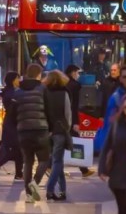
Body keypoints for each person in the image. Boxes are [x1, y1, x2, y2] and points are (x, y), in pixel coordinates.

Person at [9, 63, 51, 204]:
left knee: (28, 162)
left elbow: (12, 114)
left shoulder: (18, 91)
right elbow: (48, 109)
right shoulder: (43, 89)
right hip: (40, 130)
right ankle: (35, 182)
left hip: (23, 131)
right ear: (39, 74)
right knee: (44, 160)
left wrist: (19, 126)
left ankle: (28, 195)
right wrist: (49, 127)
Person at [98, 93, 126, 214]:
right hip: (118, 174)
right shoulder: (117, 124)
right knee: (123, 209)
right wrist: (102, 168)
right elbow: (107, 146)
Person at [44, 70, 71, 201]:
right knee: (58, 161)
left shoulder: (44, 93)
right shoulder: (64, 94)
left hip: (47, 131)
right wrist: (67, 128)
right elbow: (68, 114)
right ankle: (49, 189)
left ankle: (63, 191)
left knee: (57, 161)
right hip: (60, 130)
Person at [0, 72, 23, 180]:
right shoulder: (12, 93)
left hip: (11, 122)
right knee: (16, 148)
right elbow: (13, 109)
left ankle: (19, 173)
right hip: (13, 123)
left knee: (18, 149)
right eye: (18, 78)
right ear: (14, 80)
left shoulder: (9, 92)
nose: (20, 80)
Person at [64, 65, 95, 177]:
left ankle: (84, 170)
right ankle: (84, 170)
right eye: (77, 73)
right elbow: (75, 105)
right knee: (75, 141)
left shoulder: (63, 84)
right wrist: (76, 122)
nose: (78, 75)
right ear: (73, 73)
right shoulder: (75, 86)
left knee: (63, 142)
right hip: (71, 118)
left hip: (63, 118)